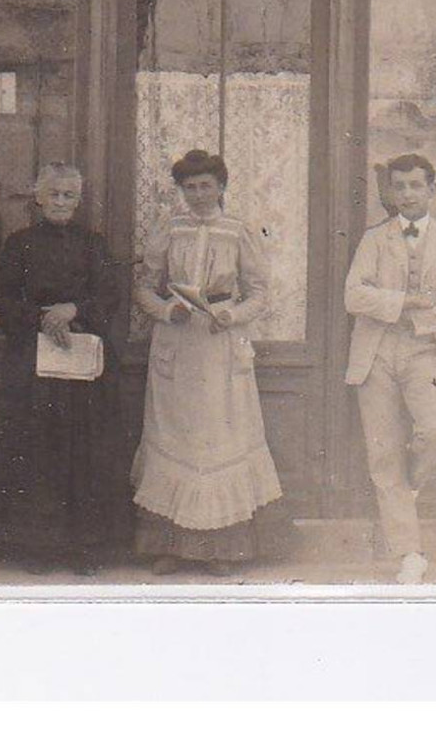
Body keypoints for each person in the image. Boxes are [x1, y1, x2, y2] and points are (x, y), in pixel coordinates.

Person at [131, 149, 282, 576]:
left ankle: (223, 550)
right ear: (180, 190)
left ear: (221, 188)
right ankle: (171, 547)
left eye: (206, 186)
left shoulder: (237, 231)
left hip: (220, 346)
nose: (198, 195)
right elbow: (145, 287)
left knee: (219, 440)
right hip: (177, 345)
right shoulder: (169, 229)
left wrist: (231, 315)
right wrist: (165, 311)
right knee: (175, 439)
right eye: (190, 187)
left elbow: (259, 291)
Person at [0, 163, 119, 575]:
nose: (60, 202)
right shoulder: (20, 245)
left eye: (69, 196)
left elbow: (110, 296)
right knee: (37, 452)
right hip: (34, 365)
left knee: (83, 451)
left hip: (83, 362)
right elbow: (3, 299)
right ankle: (37, 548)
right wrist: (43, 318)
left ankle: (84, 549)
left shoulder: (94, 244)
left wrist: (73, 309)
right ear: (38, 198)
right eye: (53, 194)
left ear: (78, 200)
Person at [344, 153, 436, 584]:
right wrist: (404, 302)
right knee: (383, 452)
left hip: (425, 350)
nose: (408, 194)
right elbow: (353, 296)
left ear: (432, 189)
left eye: (417, 185)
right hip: (375, 353)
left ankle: (408, 490)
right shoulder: (374, 240)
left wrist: (415, 319)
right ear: (391, 192)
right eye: (400, 187)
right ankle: (409, 552)